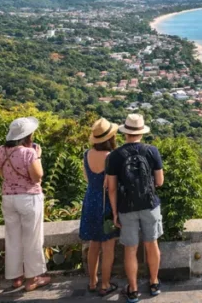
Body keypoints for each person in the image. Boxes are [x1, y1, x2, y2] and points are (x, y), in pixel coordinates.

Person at [106, 114, 164, 303]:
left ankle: (133, 289)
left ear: (125, 133)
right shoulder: (152, 151)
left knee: (130, 250)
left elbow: (112, 188)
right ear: (141, 132)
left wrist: (115, 213)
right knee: (151, 243)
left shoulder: (114, 156)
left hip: (126, 207)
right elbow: (160, 181)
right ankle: (154, 283)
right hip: (149, 205)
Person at [0, 117, 50, 292]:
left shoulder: (1, 151)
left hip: (8, 197)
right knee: (32, 238)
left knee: (12, 238)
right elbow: (37, 176)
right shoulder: (29, 153)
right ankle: (32, 279)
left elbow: (0, 172)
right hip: (29, 198)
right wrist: (38, 156)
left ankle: (15, 277)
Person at [79, 118, 120, 297]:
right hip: (106, 202)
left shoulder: (87, 154)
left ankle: (92, 281)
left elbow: (87, 178)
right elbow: (112, 185)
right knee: (108, 246)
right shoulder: (111, 157)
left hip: (90, 200)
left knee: (93, 244)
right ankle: (105, 284)